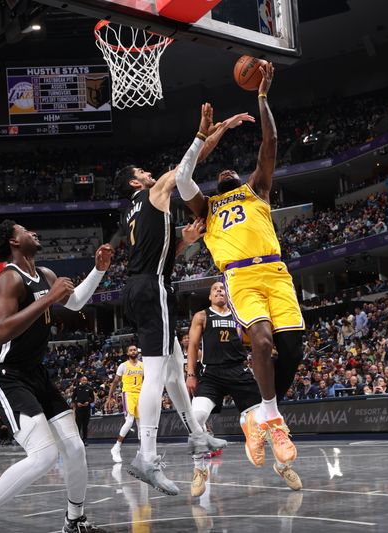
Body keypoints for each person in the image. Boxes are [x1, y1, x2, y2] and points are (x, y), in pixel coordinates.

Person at [176, 63, 304, 469]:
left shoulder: (257, 189)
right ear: (216, 185)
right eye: (221, 173)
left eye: (233, 170)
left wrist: (262, 96)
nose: (227, 171)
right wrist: (209, 133)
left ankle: (263, 417)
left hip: (277, 273)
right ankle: (273, 418)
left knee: (291, 350)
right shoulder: (207, 207)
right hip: (241, 277)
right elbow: (182, 181)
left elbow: (271, 141)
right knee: (262, 343)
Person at [0, 220, 112, 533]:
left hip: (35, 372)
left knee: (75, 449)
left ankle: (74, 521)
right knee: (44, 455)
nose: (34, 232)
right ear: (13, 240)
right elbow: (2, 330)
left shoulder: (45, 274)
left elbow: (74, 303)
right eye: (25, 231)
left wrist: (98, 270)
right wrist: (47, 299)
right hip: (5, 373)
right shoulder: (9, 278)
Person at [114, 105, 246, 495]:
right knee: (156, 374)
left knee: (172, 368)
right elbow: (189, 166)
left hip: (141, 286)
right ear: (135, 183)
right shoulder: (153, 192)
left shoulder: (130, 214)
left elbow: (155, 253)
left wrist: (183, 242)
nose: (148, 172)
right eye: (141, 171)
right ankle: (146, 457)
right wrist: (208, 132)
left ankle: (198, 436)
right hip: (152, 289)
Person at [186, 281, 302, 497]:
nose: (220, 290)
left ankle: (283, 466)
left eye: (222, 288)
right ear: (210, 297)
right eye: (215, 289)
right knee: (196, 417)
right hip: (211, 374)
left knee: (265, 420)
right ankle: (199, 470)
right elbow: (192, 346)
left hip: (238, 372)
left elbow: (256, 339)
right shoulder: (202, 316)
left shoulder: (240, 314)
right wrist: (191, 374)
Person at [105, 343, 143, 463]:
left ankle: (141, 451)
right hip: (128, 394)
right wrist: (109, 396)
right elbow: (115, 382)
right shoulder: (123, 366)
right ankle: (116, 447)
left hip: (140, 395)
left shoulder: (143, 365)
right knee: (130, 421)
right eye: (131, 350)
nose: (133, 351)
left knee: (140, 424)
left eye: (134, 349)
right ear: (127, 353)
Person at [72, 376, 95, 445]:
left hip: (86, 409)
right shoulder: (76, 389)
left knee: (85, 426)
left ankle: (85, 440)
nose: (84, 381)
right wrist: (77, 403)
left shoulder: (90, 389)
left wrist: (88, 402)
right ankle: (78, 441)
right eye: (83, 380)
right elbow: (73, 398)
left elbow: (92, 399)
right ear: (80, 380)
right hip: (79, 410)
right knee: (78, 425)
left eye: (86, 380)